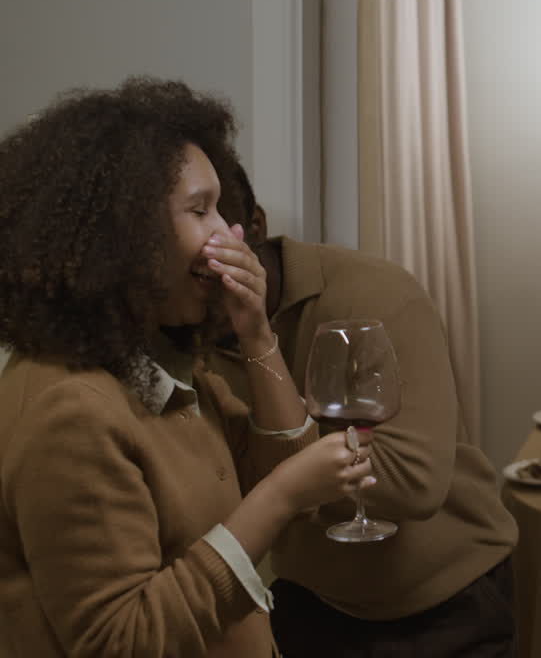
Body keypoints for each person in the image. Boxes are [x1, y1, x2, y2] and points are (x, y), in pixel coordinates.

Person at [0, 78, 372, 657]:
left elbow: (291, 473)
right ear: (122, 237)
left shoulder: (155, 365)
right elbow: (119, 640)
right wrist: (276, 498)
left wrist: (257, 333)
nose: (229, 234)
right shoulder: (68, 409)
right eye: (200, 210)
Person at [211, 160, 520, 657]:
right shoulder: (175, 330)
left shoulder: (369, 292)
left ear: (257, 225)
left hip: (445, 600)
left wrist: (283, 477)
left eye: (215, 239)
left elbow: (414, 481)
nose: (204, 272)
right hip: (311, 595)